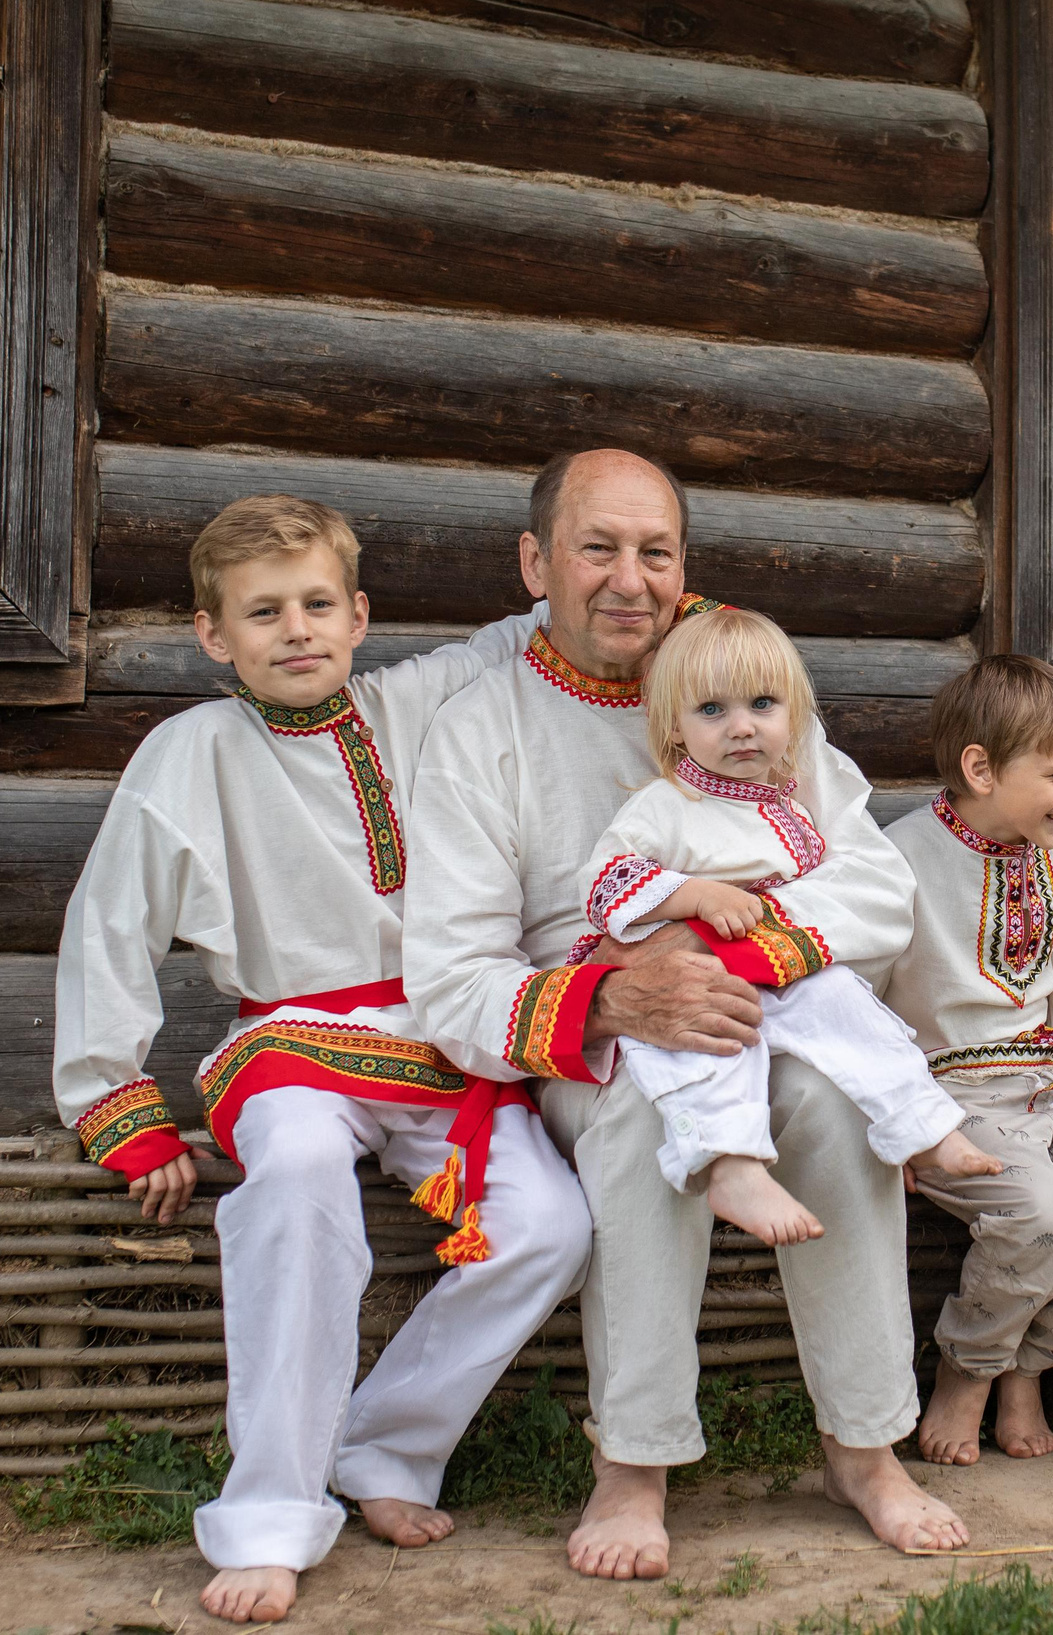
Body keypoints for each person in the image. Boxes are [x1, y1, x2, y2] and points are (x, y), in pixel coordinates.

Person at [401, 448, 968, 1579]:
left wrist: (751, 951)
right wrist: (614, 997)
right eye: (597, 548)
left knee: (833, 1103)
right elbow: (452, 979)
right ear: (534, 563)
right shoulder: (480, 729)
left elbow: (873, 888)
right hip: (592, 1030)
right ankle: (635, 1462)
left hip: (770, 1001)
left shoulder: (745, 696)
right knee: (636, 1126)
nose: (630, 579)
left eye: (654, 552)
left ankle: (865, 1447)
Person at [52, 496, 590, 1625]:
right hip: (286, 1046)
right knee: (294, 1181)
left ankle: (383, 1449)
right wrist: (118, 1097)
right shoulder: (187, 752)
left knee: (549, 1224)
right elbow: (110, 923)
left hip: (440, 1043)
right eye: (261, 613)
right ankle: (268, 1513)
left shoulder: (411, 704)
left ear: (356, 616)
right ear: (215, 635)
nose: (293, 632)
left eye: (313, 606)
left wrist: (630, 578)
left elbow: (514, 635)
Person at [584, 603, 1001, 1245]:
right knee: (720, 1049)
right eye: (712, 710)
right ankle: (731, 1165)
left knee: (851, 1009)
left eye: (761, 704)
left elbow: (864, 891)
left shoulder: (794, 803)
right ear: (672, 729)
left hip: (781, 968)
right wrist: (691, 893)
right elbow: (605, 883)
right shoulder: (666, 807)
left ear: (794, 718)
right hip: (690, 978)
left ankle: (919, 1125)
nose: (741, 728)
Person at [880, 655, 1053, 1467]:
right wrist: (890, 1119)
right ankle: (968, 1370)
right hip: (951, 1097)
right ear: (980, 767)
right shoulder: (897, 863)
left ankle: (1025, 1364)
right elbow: (858, 1006)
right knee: (1042, 1214)